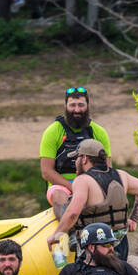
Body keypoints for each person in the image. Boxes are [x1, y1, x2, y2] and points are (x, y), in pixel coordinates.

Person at [45, 138, 138, 261]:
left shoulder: (83, 180)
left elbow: (73, 213)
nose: (75, 162)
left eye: (77, 158)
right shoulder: (121, 175)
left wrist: (57, 234)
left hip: (94, 247)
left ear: (84, 159)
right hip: (120, 245)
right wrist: (133, 219)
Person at [39, 87, 112, 216]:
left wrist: (91, 187)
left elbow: (108, 168)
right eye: (72, 105)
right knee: (58, 196)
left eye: (81, 105)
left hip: (91, 182)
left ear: (88, 106)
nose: (77, 110)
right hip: (61, 186)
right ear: (65, 106)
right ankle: (66, 231)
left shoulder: (99, 132)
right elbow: (46, 171)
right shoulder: (52, 131)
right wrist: (73, 188)